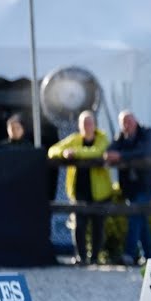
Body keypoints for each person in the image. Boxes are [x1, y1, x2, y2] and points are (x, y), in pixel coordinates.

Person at [48, 110, 113, 265]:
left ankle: (95, 257)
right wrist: (64, 153)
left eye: (89, 123)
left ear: (95, 125)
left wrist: (75, 153)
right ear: (79, 126)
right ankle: (81, 257)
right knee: (79, 225)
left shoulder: (102, 138)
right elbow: (52, 150)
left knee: (98, 225)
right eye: (84, 123)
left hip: (99, 191)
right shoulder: (75, 139)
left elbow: (96, 152)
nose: (87, 126)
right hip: (79, 190)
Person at [105, 110, 151, 266]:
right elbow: (110, 151)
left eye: (129, 121)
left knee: (135, 215)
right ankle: (149, 256)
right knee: (140, 218)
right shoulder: (121, 137)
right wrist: (114, 154)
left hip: (147, 183)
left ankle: (129, 254)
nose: (127, 125)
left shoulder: (148, 133)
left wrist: (121, 156)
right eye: (124, 122)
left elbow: (144, 152)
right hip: (131, 186)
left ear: (136, 121)